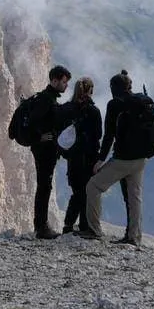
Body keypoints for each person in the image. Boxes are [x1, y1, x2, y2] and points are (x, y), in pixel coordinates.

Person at [84, 69, 151, 247]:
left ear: (114, 88)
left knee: (93, 186)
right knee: (134, 197)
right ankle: (134, 237)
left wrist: (100, 160)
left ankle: (94, 230)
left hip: (123, 159)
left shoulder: (115, 105)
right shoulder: (143, 101)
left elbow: (109, 136)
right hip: (142, 158)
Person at [29, 64, 73, 239]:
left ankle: (41, 225)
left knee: (45, 185)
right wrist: (40, 137)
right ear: (54, 81)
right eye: (63, 81)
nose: (65, 85)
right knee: (44, 186)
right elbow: (34, 121)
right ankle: (41, 227)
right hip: (43, 150)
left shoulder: (49, 98)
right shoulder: (46, 99)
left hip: (46, 150)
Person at [60, 77, 103, 235]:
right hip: (89, 159)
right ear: (90, 90)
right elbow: (98, 135)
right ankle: (84, 225)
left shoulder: (66, 108)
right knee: (87, 192)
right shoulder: (93, 111)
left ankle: (68, 225)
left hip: (72, 159)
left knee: (77, 191)